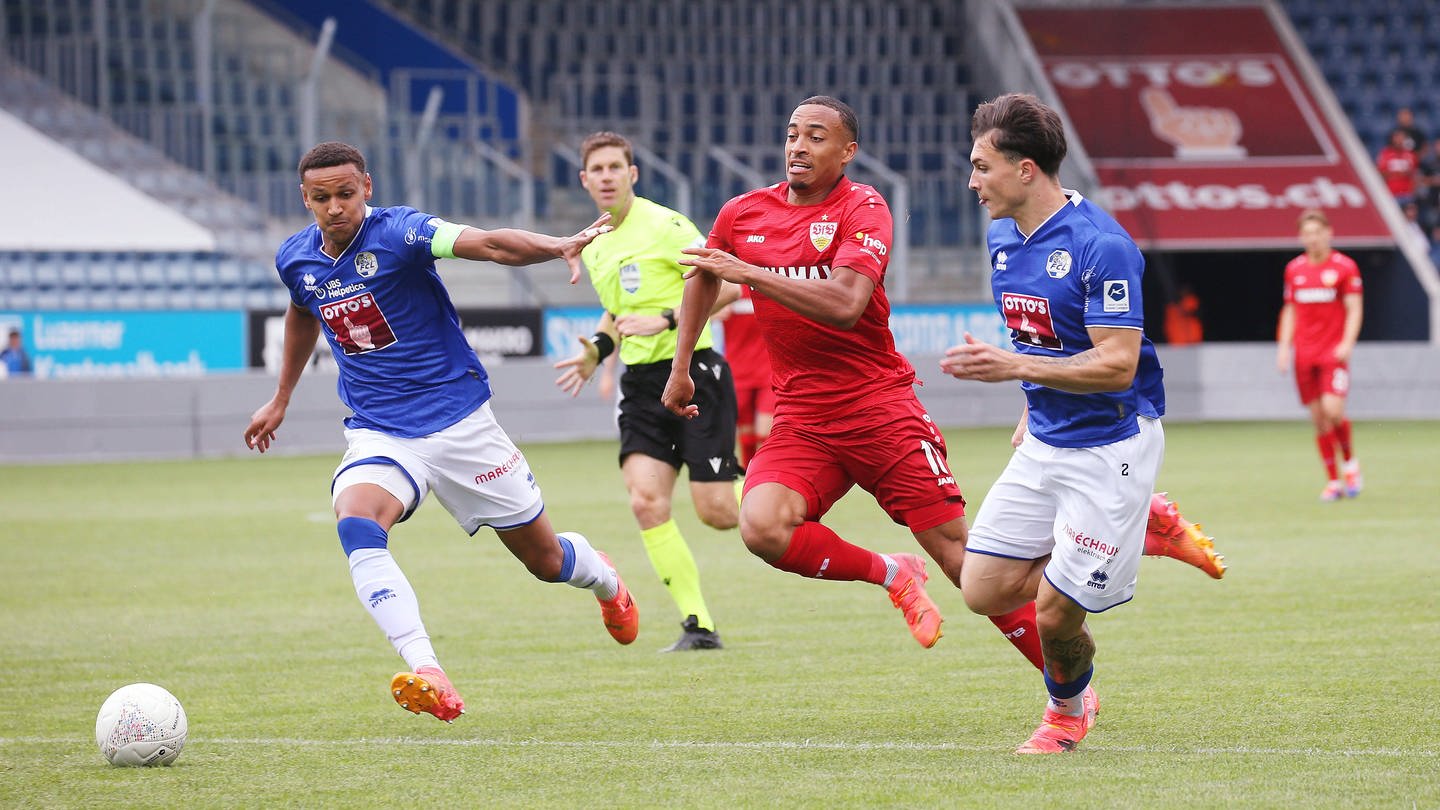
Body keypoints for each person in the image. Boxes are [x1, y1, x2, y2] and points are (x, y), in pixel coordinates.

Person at [243, 141, 640, 723]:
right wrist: (280, 398)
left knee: (546, 561)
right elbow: (303, 312)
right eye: (321, 198)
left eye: (346, 194)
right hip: (379, 432)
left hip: (461, 425)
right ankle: (427, 668)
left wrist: (555, 245)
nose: (335, 208)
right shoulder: (296, 259)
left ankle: (604, 578)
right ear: (304, 198)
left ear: (368, 189)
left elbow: (487, 243)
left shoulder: (400, 233)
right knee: (356, 522)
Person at [662, 95, 1052, 668]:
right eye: (793, 133)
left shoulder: (864, 208)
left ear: (848, 152)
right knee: (762, 527)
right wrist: (679, 369)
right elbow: (702, 279)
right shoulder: (742, 212)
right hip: (803, 419)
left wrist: (749, 273)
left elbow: (846, 303)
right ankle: (893, 572)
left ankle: (1068, 688)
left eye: (816, 136)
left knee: (966, 567)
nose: (798, 145)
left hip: (880, 411)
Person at [940, 92, 1172, 754]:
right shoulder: (1002, 237)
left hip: (1113, 446)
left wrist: (1015, 369)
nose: (972, 181)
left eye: (982, 166)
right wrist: (1026, 401)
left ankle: (1066, 711)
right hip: (1046, 439)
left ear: (1026, 171)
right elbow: (1041, 335)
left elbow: (1118, 365)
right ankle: (1138, 532)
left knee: (1054, 612)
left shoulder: (1102, 247)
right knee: (981, 588)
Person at [554, 130, 741, 652]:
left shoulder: (665, 225)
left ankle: (775, 500)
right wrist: (596, 348)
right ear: (585, 179)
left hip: (695, 370)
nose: (608, 176)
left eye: (617, 167)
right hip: (640, 386)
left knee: (718, 513)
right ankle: (698, 625)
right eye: (599, 169)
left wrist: (667, 318)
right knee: (645, 502)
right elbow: (617, 314)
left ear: (632, 174)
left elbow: (729, 283)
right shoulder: (592, 244)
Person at [1275, 208, 1364, 501]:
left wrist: (1347, 342)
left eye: (1317, 232)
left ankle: (1350, 463)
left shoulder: (1344, 267)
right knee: (1319, 420)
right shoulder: (1295, 270)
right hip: (1305, 354)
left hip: (1332, 353)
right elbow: (1290, 311)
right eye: (1307, 233)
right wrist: (1284, 348)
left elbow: (1354, 307)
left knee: (1333, 411)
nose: (1312, 239)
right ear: (1301, 236)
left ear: (1329, 233)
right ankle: (1333, 481)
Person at [714, 284, 775, 472]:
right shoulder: (728, 287)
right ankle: (749, 479)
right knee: (746, 435)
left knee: (766, 433)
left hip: (770, 370)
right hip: (737, 371)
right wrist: (713, 312)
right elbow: (696, 310)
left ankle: (768, 478)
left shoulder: (769, 282)